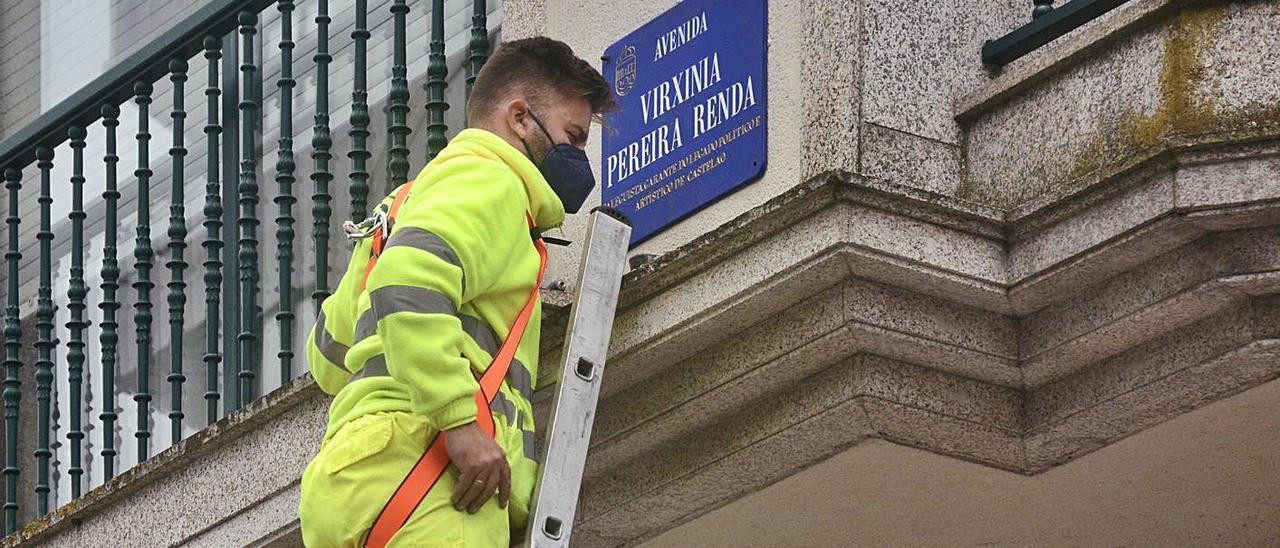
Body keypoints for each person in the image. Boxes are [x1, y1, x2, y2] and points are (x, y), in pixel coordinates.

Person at [298, 36, 617, 547]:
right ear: (519, 118)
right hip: (434, 477)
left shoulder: (403, 205)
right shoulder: (492, 181)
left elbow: (330, 360)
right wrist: (461, 423)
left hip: (348, 478)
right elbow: (406, 286)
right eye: (573, 136)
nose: (579, 157)